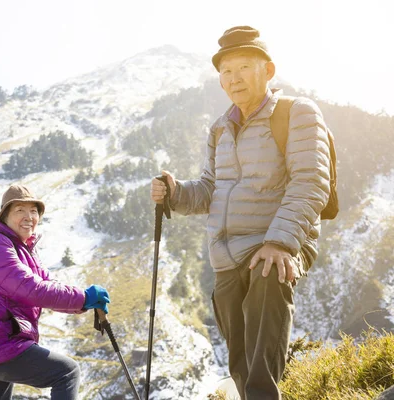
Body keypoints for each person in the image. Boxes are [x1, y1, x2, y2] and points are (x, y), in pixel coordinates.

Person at [150, 26, 331, 399]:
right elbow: (209, 190)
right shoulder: (220, 128)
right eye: (226, 71)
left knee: (261, 370)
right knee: (240, 364)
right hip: (227, 257)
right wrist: (175, 193)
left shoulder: (296, 113)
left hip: (274, 245)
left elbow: (312, 181)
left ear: (268, 70)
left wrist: (280, 243)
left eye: (244, 67)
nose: (234, 79)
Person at [0, 184, 110, 400]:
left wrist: (84, 303)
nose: (28, 216)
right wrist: (85, 297)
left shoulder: (23, 250)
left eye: (33, 211)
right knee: (67, 372)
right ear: (4, 216)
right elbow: (32, 289)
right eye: (19, 210)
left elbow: (49, 284)